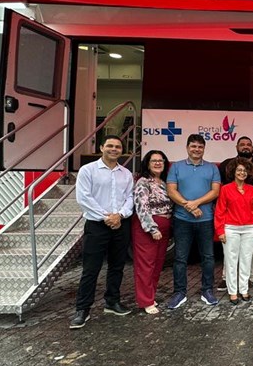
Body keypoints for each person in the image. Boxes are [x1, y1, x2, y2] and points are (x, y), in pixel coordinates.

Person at [70, 135, 134, 329]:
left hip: (120, 224)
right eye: (110, 146)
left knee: (117, 266)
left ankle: (112, 302)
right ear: (101, 148)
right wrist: (106, 217)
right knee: (91, 269)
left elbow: (130, 197)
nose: (114, 149)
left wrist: (119, 215)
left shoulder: (126, 173)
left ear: (122, 150)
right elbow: (83, 197)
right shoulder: (88, 170)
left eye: (118, 147)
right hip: (97, 225)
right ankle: (83, 309)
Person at [166, 134, 221, 309]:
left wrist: (195, 203)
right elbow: (171, 191)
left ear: (204, 149)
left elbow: (215, 192)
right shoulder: (177, 167)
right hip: (182, 220)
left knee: (208, 257)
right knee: (180, 258)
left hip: (205, 219)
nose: (196, 149)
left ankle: (207, 291)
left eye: (200, 147)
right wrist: (188, 206)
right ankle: (179, 292)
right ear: (187, 148)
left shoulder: (212, 168)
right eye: (193, 146)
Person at [219, 136, 253, 291]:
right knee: (229, 250)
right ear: (236, 147)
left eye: (248, 144)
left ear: (252, 148)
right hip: (231, 218)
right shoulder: (226, 165)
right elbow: (219, 189)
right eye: (242, 144)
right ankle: (226, 278)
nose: (245, 147)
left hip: (252, 217)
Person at [215, 158, 253, 305]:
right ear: (233, 172)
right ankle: (232, 292)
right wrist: (220, 231)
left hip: (249, 229)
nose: (242, 173)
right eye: (239, 170)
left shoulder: (252, 189)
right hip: (231, 229)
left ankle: (244, 290)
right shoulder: (225, 189)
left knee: (246, 260)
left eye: (245, 170)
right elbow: (220, 211)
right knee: (231, 261)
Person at [132, 149, 173, 314]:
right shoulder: (143, 182)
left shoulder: (164, 182)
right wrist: (152, 228)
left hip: (164, 227)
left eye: (160, 161)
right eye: (154, 161)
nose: (157, 163)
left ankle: (151, 295)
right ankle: (145, 301)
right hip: (148, 228)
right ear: (147, 164)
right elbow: (141, 206)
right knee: (146, 265)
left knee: (157, 264)